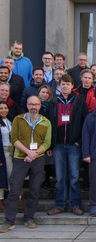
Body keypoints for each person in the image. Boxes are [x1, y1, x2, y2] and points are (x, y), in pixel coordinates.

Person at [0, 96, 51, 233]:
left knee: (34, 190)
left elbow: (47, 143)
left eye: (36, 104)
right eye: (31, 104)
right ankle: (9, 221)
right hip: (20, 159)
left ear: (40, 106)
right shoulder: (18, 119)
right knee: (14, 190)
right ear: (27, 105)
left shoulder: (46, 122)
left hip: (38, 160)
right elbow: (14, 139)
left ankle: (29, 218)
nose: (33, 107)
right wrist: (28, 152)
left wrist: (35, 154)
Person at [46, 74, 89, 216]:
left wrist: (79, 142)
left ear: (72, 86)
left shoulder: (79, 102)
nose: (65, 86)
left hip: (74, 145)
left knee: (75, 177)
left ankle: (75, 204)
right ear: (59, 86)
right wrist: (50, 145)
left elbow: (85, 124)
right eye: (63, 84)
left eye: (68, 84)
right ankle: (59, 204)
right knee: (59, 177)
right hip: (58, 145)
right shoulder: (53, 102)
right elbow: (48, 124)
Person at [37, 85, 54, 192]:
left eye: (46, 93)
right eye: (42, 92)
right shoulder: (34, 105)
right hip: (36, 136)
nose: (44, 94)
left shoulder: (52, 105)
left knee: (47, 162)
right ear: (39, 93)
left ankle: (47, 181)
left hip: (48, 135)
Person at [0, 101, 12, 212]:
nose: (4, 110)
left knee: (11, 175)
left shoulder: (9, 121)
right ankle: (0, 200)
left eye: (5, 108)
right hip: (1, 152)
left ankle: (14, 200)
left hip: (11, 152)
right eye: (1, 108)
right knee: (1, 177)